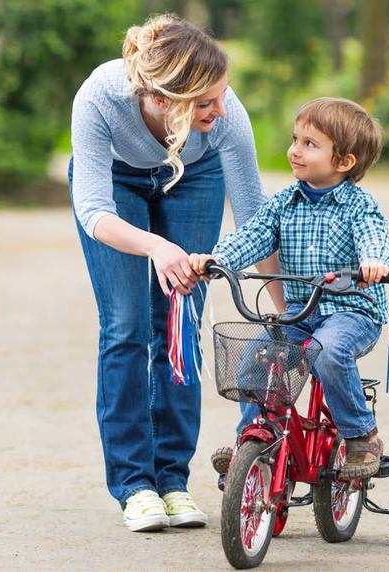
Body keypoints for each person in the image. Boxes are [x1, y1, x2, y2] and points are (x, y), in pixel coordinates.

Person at [69, 14, 284, 532]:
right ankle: (134, 486)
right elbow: (94, 211)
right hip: (117, 185)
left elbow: (254, 218)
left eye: (222, 95)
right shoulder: (100, 97)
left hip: (194, 177)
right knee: (126, 327)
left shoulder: (226, 117)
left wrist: (286, 309)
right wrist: (157, 248)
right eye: (205, 103)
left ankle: (172, 480)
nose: (221, 108)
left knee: (180, 323)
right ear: (164, 100)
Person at [190, 96, 389, 479]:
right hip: (300, 310)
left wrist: (374, 263)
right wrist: (217, 260)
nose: (294, 151)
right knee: (252, 358)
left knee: (329, 351)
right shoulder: (283, 203)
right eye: (295, 139)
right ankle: (255, 441)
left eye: (309, 144)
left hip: (351, 311)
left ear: (344, 162)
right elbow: (253, 236)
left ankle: (360, 435)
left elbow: (374, 237)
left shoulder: (358, 206)